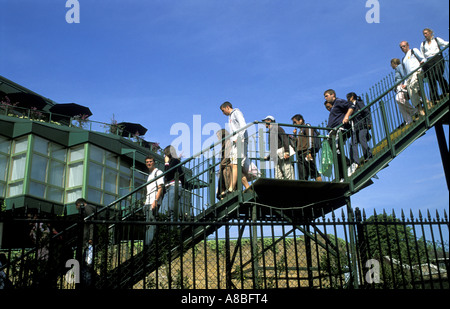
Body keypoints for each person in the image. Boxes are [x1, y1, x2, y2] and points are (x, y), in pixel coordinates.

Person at [323, 89, 355, 180]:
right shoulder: (333, 106)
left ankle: (347, 165)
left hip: (339, 130)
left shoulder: (339, 101)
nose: (325, 98)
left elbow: (351, 105)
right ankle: (341, 175)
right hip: (333, 132)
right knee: (333, 153)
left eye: (326, 96)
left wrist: (346, 116)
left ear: (332, 95)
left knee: (337, 150)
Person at [220, 101, 250, 192]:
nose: (223, 113)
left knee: (236, 164)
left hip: (240, 141)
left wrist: (239, 137)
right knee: (234, 165)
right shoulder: (230, 116)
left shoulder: (236, 112)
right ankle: (248, 187)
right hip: (235, 143)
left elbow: (243, 125)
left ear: (227, 107)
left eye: (223, 110)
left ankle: (231, 188)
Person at [420, 28, 449, 102]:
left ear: (430, 33)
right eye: (424, 34)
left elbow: (445, 43)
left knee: (437, 74)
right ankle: (434, 98)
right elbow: (422, 55)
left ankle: (446, 90)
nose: (425, 35)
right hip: (428, 61)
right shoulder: (423, 44)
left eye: (426, 33)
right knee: (431, 79)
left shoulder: (436, 40)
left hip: (437, 58)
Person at [160, 145, 189, 220]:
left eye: (165, 154)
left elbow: (168, 173)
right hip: (169, 188)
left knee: (169, 210)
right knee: (162, 211)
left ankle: (175, 229)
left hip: (173, 187)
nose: (164, 156)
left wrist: (166, 163)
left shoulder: (174, 161)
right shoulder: (174, 161)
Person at [262, 115, 294, 180]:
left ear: (269, 121)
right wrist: (268, 156)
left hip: (282, 153)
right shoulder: (270, 131)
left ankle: (291, 187)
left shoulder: (277, 128)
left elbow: (284, 139)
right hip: (276, 155)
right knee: (278, 175)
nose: (264, 123)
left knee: (287, 171)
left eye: (265, 121)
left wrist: (287, 152)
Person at [291, 114, 322, 181]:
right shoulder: (300, 131)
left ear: (300, 120)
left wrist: (309, 152)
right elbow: (296, 144)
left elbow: (310, 139)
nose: (294, 124)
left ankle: (321, 188)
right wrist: (294, 135)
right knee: (302, 175)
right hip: (300, 154)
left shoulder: (307, 127)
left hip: (307, 152)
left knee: (313, 172)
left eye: (295, 122)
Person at [400, 41, 426, 116]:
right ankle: (420, 107)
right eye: (401, 47)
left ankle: (425, 102)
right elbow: (405, 73)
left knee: (414, 86)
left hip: (417, 71)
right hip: (409, 76)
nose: (403, 48)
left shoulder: (413, 50)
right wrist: (405, 83)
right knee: (411, 93)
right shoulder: (403, 59)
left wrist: (423, 62)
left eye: (404, 46)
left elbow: (422, 58)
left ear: (408, 45)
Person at [346, 92, 373, 165]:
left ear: (352, 97)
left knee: (362, 139)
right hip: (355, 127)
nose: (347, 99)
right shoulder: (350, 106)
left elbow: (366, 112)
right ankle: (355, 161)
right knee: (353, 143)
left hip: (362, 125)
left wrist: (369, 122)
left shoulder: (358, 103)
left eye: (348, 97)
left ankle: (368, 155)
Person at [143, 155, 164, 245]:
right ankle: (148, 244)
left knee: (151, 224)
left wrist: (155, 200)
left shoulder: (158, 172)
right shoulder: (149, 175)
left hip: (153, 202)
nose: (149, 163)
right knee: (148, 225)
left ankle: (150, 245)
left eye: (150, 161)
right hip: (147, 203)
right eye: (147, 162)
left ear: (154, 162)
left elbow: (160, 188)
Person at [391, 58, 417, 125]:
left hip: (401, 86)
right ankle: (408, 120)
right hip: (397, 88)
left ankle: (413, 111)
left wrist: (405, 84)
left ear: (394, 63)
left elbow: (404, 75)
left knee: (399, 99)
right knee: (400, 107)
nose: (391, 66)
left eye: (391, 64)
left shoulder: (399, 67)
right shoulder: (396, 70)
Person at [216, 129, 233, 199]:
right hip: (224, 167)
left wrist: (222, 164)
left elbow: (228, 156)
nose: (218, 138)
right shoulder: (224, 144)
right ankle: (222, 193)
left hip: (228, 166)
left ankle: (226, 192)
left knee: (225, 172)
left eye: (218, 136)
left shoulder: (228, 142)